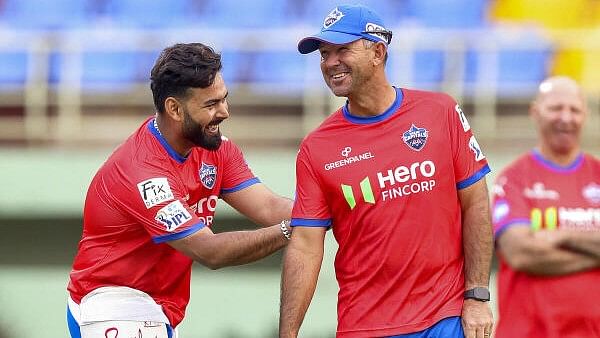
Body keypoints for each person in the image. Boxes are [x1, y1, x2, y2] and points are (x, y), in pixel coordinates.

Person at [279, 4, 494, 338]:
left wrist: (477, 295)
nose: (330, 62)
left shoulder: (441, 112)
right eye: (324, 54)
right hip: (365, 326)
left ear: (377, 52)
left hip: (445, 318)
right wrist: (287, 334)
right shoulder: (315, 147)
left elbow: (476, 203)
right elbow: (306, 245)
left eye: (342, 50)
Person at [66, 42, 294, 338]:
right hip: (111, 304)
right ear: (174, 108)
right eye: (211, 104)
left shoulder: (216, 148)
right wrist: (294, 228)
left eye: (224, 99)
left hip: (159, 309)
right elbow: (211, 252)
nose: (224, 112)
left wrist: (332, 205)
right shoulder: (144, 173)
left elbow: (269, 207)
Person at [491, 76, 600, 337]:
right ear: (535, 112)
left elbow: (536, 251)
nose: (566, 117)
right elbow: (521, 254)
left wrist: (562, 235)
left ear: (585, 115)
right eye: (555, 108)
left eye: (574, 109)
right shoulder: (514, 179)